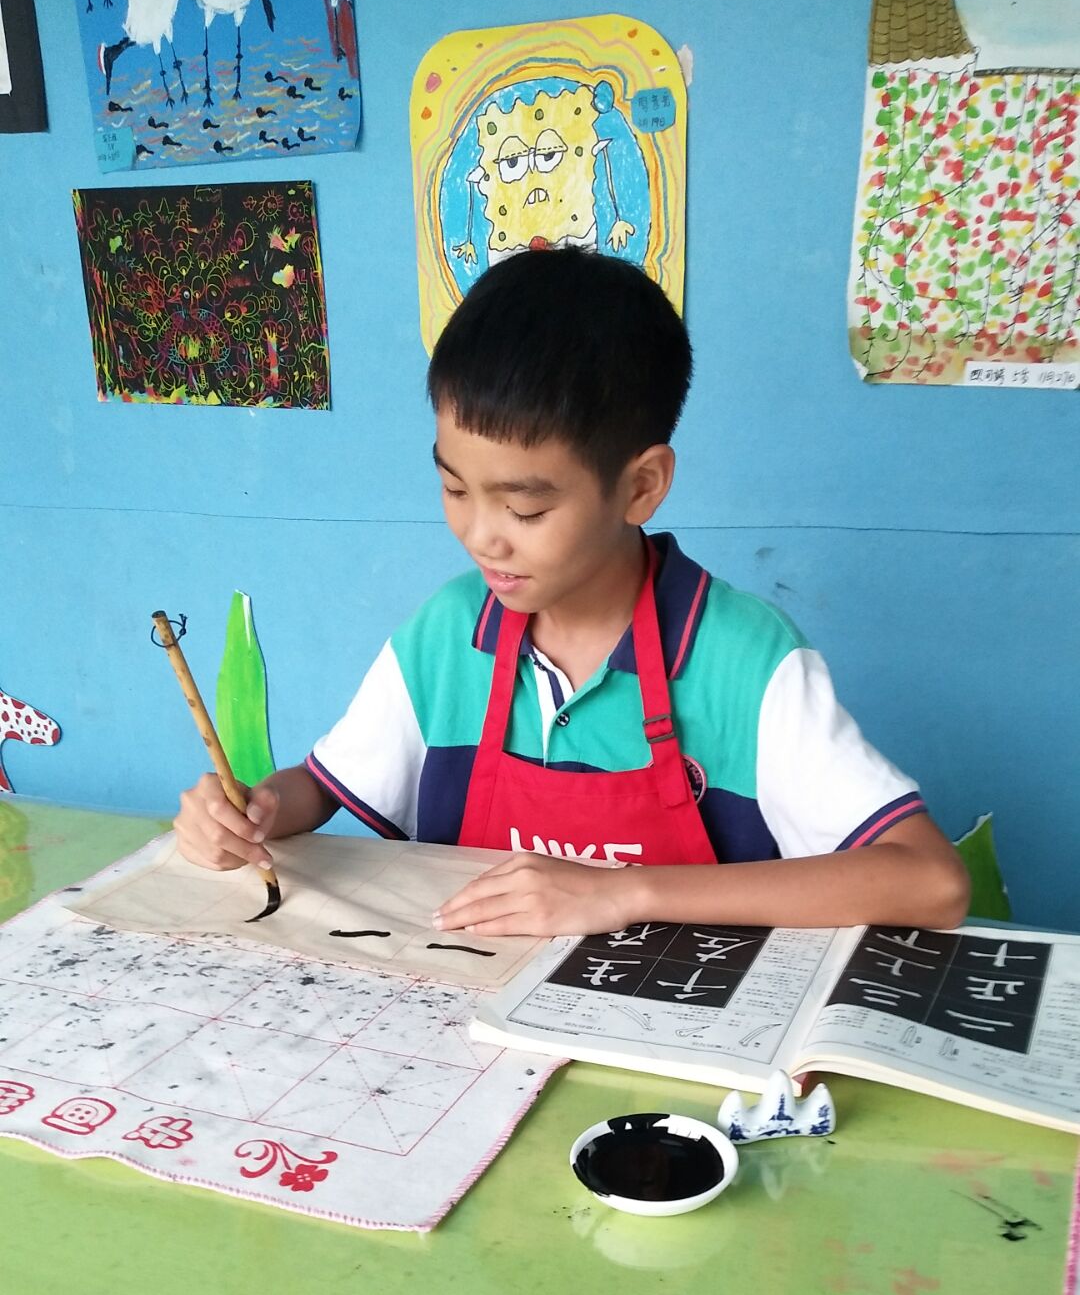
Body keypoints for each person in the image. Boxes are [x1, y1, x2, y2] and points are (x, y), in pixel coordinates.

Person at [174, 249, 969, 936]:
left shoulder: (744, 661)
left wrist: (623, 893)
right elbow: (322, 787)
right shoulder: (447, 636)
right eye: (455, 489)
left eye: (525, 509)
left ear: (641, 486)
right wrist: (254, 809)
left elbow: (931, 882)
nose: (482, 536)